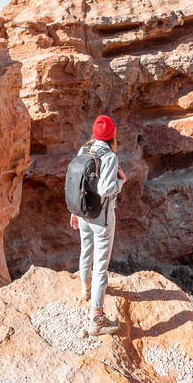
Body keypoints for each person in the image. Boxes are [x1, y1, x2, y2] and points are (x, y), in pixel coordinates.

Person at [69, 114, 126, 336]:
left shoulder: (84, 150)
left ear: (94, 132)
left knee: (86, 251)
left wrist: (73, 211)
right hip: (101, 218)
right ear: (112, 135)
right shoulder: (110, 156)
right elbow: (104, 189)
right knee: (101, 266)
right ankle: (96, 319)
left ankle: (85, 288)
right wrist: (121, 182)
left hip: (82, 212)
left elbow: (76, 182)